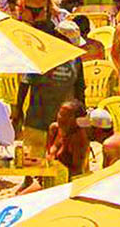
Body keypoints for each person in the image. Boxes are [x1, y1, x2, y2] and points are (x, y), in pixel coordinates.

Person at [15, 22, 85, 161]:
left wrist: (81, 115)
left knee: (58, 162)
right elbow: (25, 83)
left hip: (63, 122)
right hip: (37, 118)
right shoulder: (39, 56)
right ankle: (29, 181)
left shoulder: (76, 59)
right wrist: (18, 109)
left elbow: (79, 89)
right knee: (32, 161)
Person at [45, 100, 90, 179]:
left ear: (76, 120)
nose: (61, 118)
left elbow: (77, 171)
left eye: (67, 115)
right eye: (61, 113)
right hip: (51, 176)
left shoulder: (78, 138)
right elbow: (48, 156)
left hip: (68, 182)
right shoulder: (54, 129)